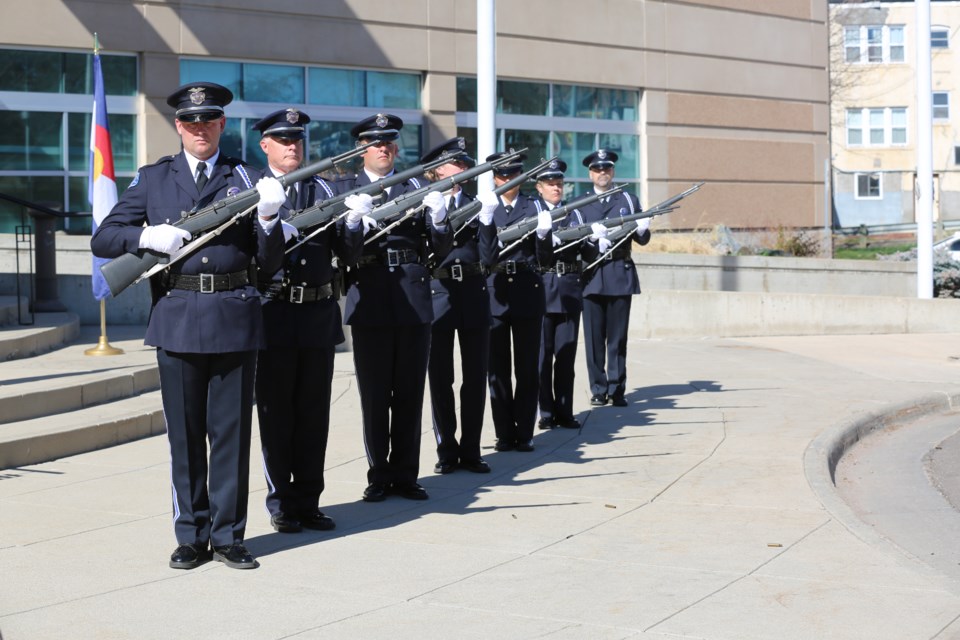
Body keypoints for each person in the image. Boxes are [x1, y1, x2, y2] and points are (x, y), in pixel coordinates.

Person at [91, 82, 286, 570]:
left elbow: (269, 263)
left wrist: (267, 219)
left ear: (221, 124)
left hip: (235, 316)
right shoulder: (155, 179)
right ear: (179, 126)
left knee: (231, 435)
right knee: (184, 436)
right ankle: (191, 535)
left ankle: (228, 536)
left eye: (210, 120)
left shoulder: (245, 175)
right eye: (191, 121)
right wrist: (145, 234)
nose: (201, 128)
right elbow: (103, 238)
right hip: (177, 316)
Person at [251, 108, 364, 534]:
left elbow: (349, 255)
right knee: (277, 414)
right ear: (266, 145)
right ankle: (281, 502)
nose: (292, 146)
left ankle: (309, 500)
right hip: (274, 315)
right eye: (282, 140)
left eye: (297, 139)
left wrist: (352, 223)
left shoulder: (325, 190)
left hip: (317, 314)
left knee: (314, 415)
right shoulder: (253, 189)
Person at [339, 113, 453, 502]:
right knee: (374, 396)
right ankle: (378, 475)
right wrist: (352, 223)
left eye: (389, 142)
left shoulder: (417, 185)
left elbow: (441, 252)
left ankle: (406, 474)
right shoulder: (347, 191)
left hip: (413, 299)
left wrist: (439, 220)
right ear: (361, 149)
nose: (383, 148)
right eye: (375, 142)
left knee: (408, 394)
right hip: (370, 298)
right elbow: (343, 253)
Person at [424, 138, 499, 475]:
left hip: (472, 291)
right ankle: (446, 449)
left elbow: (489, 258)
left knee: (474, 377)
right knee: (441, 379)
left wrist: (486, 220)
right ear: (437, 169)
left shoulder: (475, 202)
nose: (463, 168)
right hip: (438, 292)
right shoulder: (425, 204)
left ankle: (471, 449)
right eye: (456, 162)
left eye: (465, 163)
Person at [483, 152, 554, 452]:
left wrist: (543, 236)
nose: (507, 181)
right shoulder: (485, 206)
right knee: (497, 369)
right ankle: (504, 433)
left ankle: (524, 431)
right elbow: (484, 257)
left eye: (513, 176)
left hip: (527, 289)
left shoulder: (535, 206)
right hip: (496, 291)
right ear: (495, 178)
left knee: (526, 368)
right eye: (502, 176)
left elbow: (547, 260)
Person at [576, 149, 650, 407]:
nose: (602, 173)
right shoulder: (581, 203)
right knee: (594, 340)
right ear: (590, 173)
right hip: (593, 276)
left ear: (613, 171)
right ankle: (598, 388)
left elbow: (641, 238)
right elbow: (573, 242)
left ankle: (617, 388)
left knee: (618, 339)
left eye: (606, 168)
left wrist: (643, 228)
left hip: (619, 272)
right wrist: (591, 242)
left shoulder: (628, 200)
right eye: (597, 169)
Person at [532, 160, 585, 430]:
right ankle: (546, 411)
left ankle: (565, 410)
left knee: (566, 357)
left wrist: (595, 239)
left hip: (569, 291)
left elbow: (587, 255)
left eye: (560, 184)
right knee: (543, 356)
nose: (556, 188)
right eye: (551, 184)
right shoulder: (534, 212)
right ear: (539, 187)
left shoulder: (573, 213)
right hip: (543, 289)